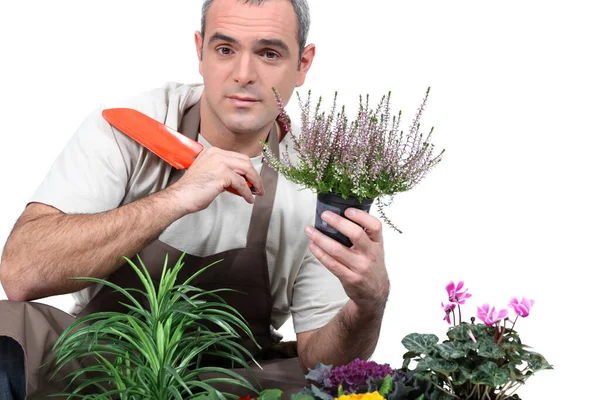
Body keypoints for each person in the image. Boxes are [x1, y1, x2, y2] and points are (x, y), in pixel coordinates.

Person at [0, 0, 390, 398]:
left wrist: (368, 305)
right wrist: (177, 198)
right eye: (225, 50)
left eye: (268, 53)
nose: (243, 74)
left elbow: (326, 364)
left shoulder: (318, 184)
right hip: (97, 365)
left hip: (229, 382)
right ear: (200, 52)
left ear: (303, 64)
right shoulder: (128, 128)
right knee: (7, 326)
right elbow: (20, 273)